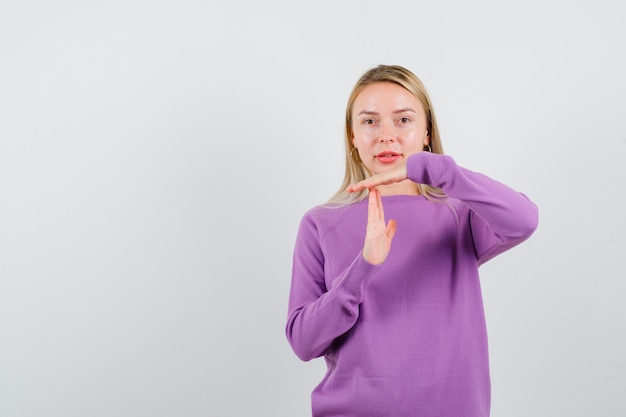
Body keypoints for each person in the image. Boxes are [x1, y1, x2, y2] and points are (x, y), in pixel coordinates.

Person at [285, 65, 538, 417]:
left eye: (403, 120)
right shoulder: (321, 223)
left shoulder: (459, 216)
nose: (386, 135)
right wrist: (363, 268)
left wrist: (440, 171)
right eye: (370, 122)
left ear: (426, 133)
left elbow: (524, 220)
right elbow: (303, 342)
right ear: (353, 137)